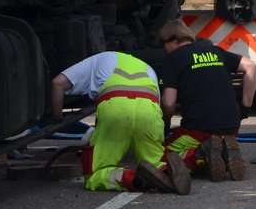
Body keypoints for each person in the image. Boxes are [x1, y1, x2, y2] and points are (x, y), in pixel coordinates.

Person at [50, 51, 190, 194]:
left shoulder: (95, 60)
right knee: (153, 163)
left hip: (115, 108)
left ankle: (136, 179)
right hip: (149, 110)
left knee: (95, 174)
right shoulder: (147, 68)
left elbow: (57, 83)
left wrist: (57, 119)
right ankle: (166, 172)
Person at [157, 18, 256, 182]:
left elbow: (168, 103)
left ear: (174, 40)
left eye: (163, 44)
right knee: (212, 145)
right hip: (231, 126)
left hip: (198, 128)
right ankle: (222, 152)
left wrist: (165, 125)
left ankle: (200, 155)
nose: (164, 49)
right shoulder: (215, 51)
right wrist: (245, 108)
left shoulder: (173, 58)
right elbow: (251, 67)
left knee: (161, 157)